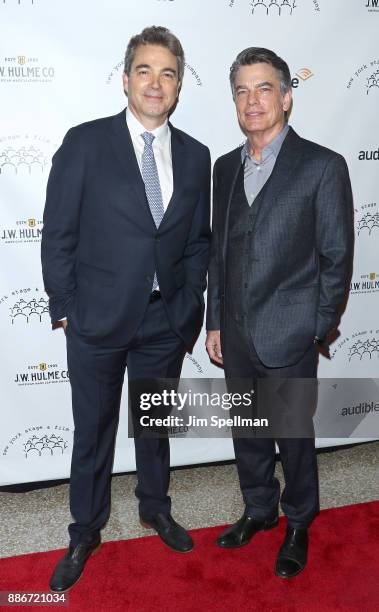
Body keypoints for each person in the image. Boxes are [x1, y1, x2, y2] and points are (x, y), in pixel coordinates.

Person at [41, 26, 211, 592]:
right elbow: (59, 232)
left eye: (167, 73)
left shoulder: (195, 155)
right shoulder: (86, 142)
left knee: (155, 425)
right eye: (145, 70)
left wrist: (188, 306)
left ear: (179, 86)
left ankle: (154, 507)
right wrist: (65, 308)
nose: (155, 83)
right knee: (92, 431)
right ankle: (85, 529)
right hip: (96, 321)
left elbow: (196, 241)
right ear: (125, 79)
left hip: (165, 320)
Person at [206, 47, 353, 578]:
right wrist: (215, 320)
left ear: (287, 97)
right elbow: (219, 252)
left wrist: (315, 326)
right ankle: (259, 509)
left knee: (293, 434)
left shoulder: (322, 166)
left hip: (291, 332)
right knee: (247, 429)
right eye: (242, 90)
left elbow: (337, 257)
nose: (253, 100)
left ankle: (297, 521)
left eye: (264, 88)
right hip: (238, 333)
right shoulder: (224, 168)